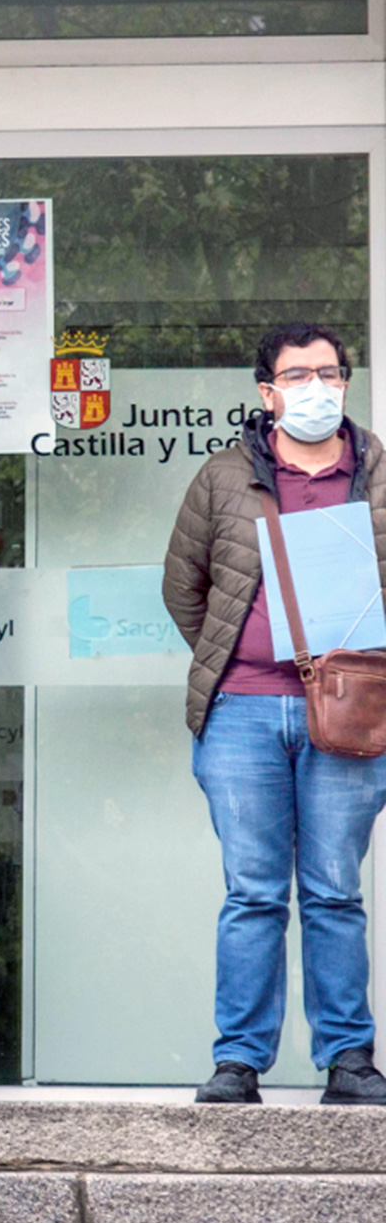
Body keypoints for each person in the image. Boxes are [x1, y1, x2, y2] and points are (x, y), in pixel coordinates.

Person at [164, 322, 386, 1106]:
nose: (315, 388)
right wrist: (235, 657)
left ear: (347, 382)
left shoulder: (381, 473)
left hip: (351, 716)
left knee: (332, 890)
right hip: (243, 713)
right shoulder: (226, 477)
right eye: (297, 376)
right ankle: (239, 1062)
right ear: (266, 392)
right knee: (253, 892)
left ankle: (349, 1062)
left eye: (328, 372)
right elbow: (182, 587)